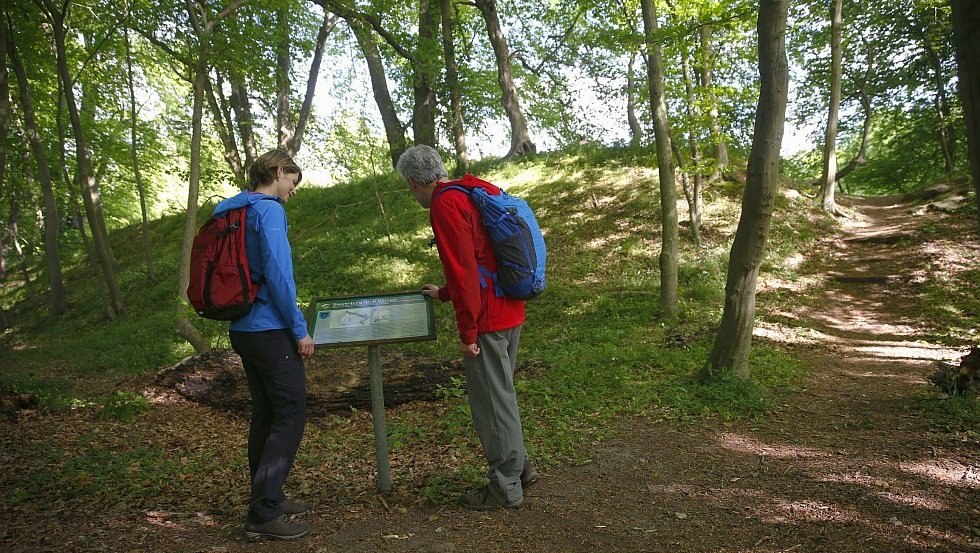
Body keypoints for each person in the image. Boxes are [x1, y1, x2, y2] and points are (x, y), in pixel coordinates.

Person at [396, 144, 539, 510]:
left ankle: (504, 487)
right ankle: (521, 469)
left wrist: (468, 332)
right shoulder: (472, 189)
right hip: (510, 305)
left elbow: (465, 271)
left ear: (413, 182)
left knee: (491, 403)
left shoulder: (445, 204)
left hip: (487, 318)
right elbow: (482, 256)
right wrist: (444, 293)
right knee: (501, 396)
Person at [212, 149, 315, 540]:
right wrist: (299, 329)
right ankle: (264, 511)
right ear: (277, 171)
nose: (293, 190)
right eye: (292, 180)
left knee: (267, 414)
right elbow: (278, 274)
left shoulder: (231, 208)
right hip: (270, 328)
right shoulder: (269, 211)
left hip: (242, 327)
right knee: (291, 412)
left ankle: (268, 496)